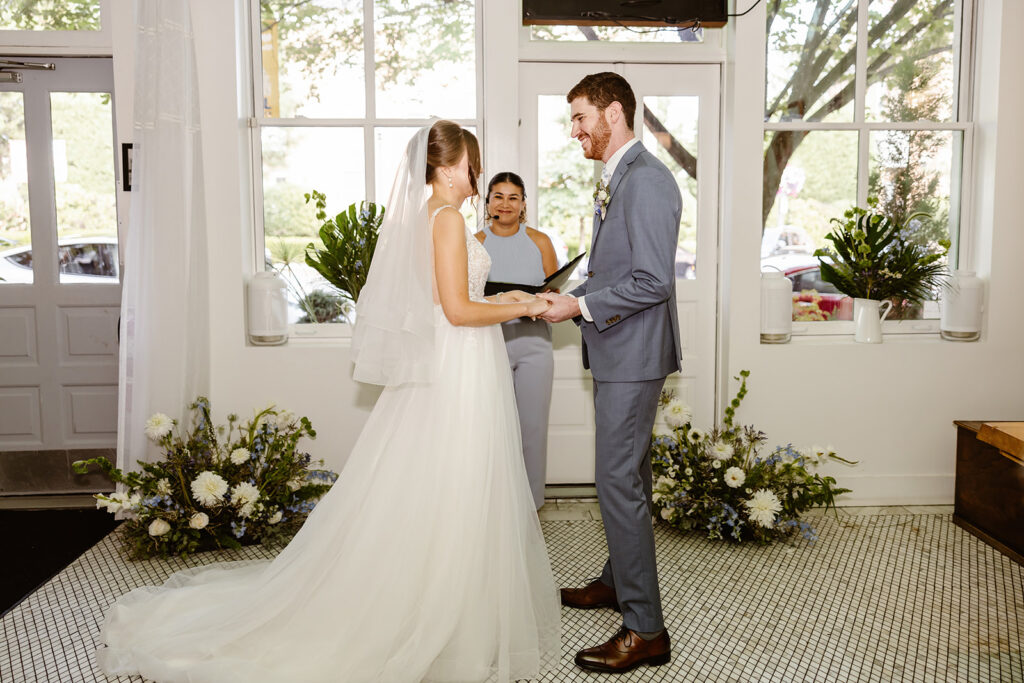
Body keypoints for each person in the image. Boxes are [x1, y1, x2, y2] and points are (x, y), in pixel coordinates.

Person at [95, 121, 561, 683]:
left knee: (447, 486)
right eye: (471, 163)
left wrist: (510, 295)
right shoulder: (446, 218)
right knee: (454, 485)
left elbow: (452, 298)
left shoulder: (432, 218)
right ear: (447, 165)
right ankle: (438, 615)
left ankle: (454, 607)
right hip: (457, 368)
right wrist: (527, 309)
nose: (476, 174)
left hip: (460, 361)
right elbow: (459, 314)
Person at [539, 72, 683, 674]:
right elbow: (621, 266)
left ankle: (645, 629)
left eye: (579, 118)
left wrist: (578, 306)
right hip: (623, 352)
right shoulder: (621, 176)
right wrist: (569, 289)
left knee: (616, 482)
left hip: (633, 357)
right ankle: (616, 580)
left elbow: (653, 280)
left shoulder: (646, 180)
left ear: (614, 112)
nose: (574, 131)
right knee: (632, 479)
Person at [475, 172, 558, 510]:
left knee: (532, 428)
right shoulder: (474, 242)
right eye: (498, 196)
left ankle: (531, 505)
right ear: (488, 203)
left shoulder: (539, 241)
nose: (505, 204)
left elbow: (554, 291)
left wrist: (540, 301)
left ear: (524, 204)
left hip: (534, 344)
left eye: (513, 197)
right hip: (487, 345)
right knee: (490, 428)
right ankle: (493, 507)